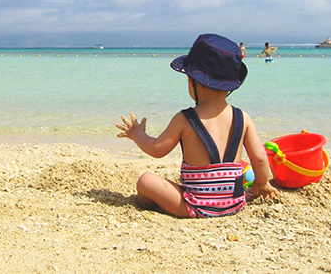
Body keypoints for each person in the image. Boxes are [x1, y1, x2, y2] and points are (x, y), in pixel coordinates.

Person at [115, 34, 278, 218]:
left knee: (146, 181)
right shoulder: (243, 118)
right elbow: (260, 159)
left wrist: (137, 134)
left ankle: (158, 205)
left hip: (194, 206)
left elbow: (157, 149)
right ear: (230, 85)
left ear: (192, 81)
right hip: (234, 203)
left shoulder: (185, 119)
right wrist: (262, 184)